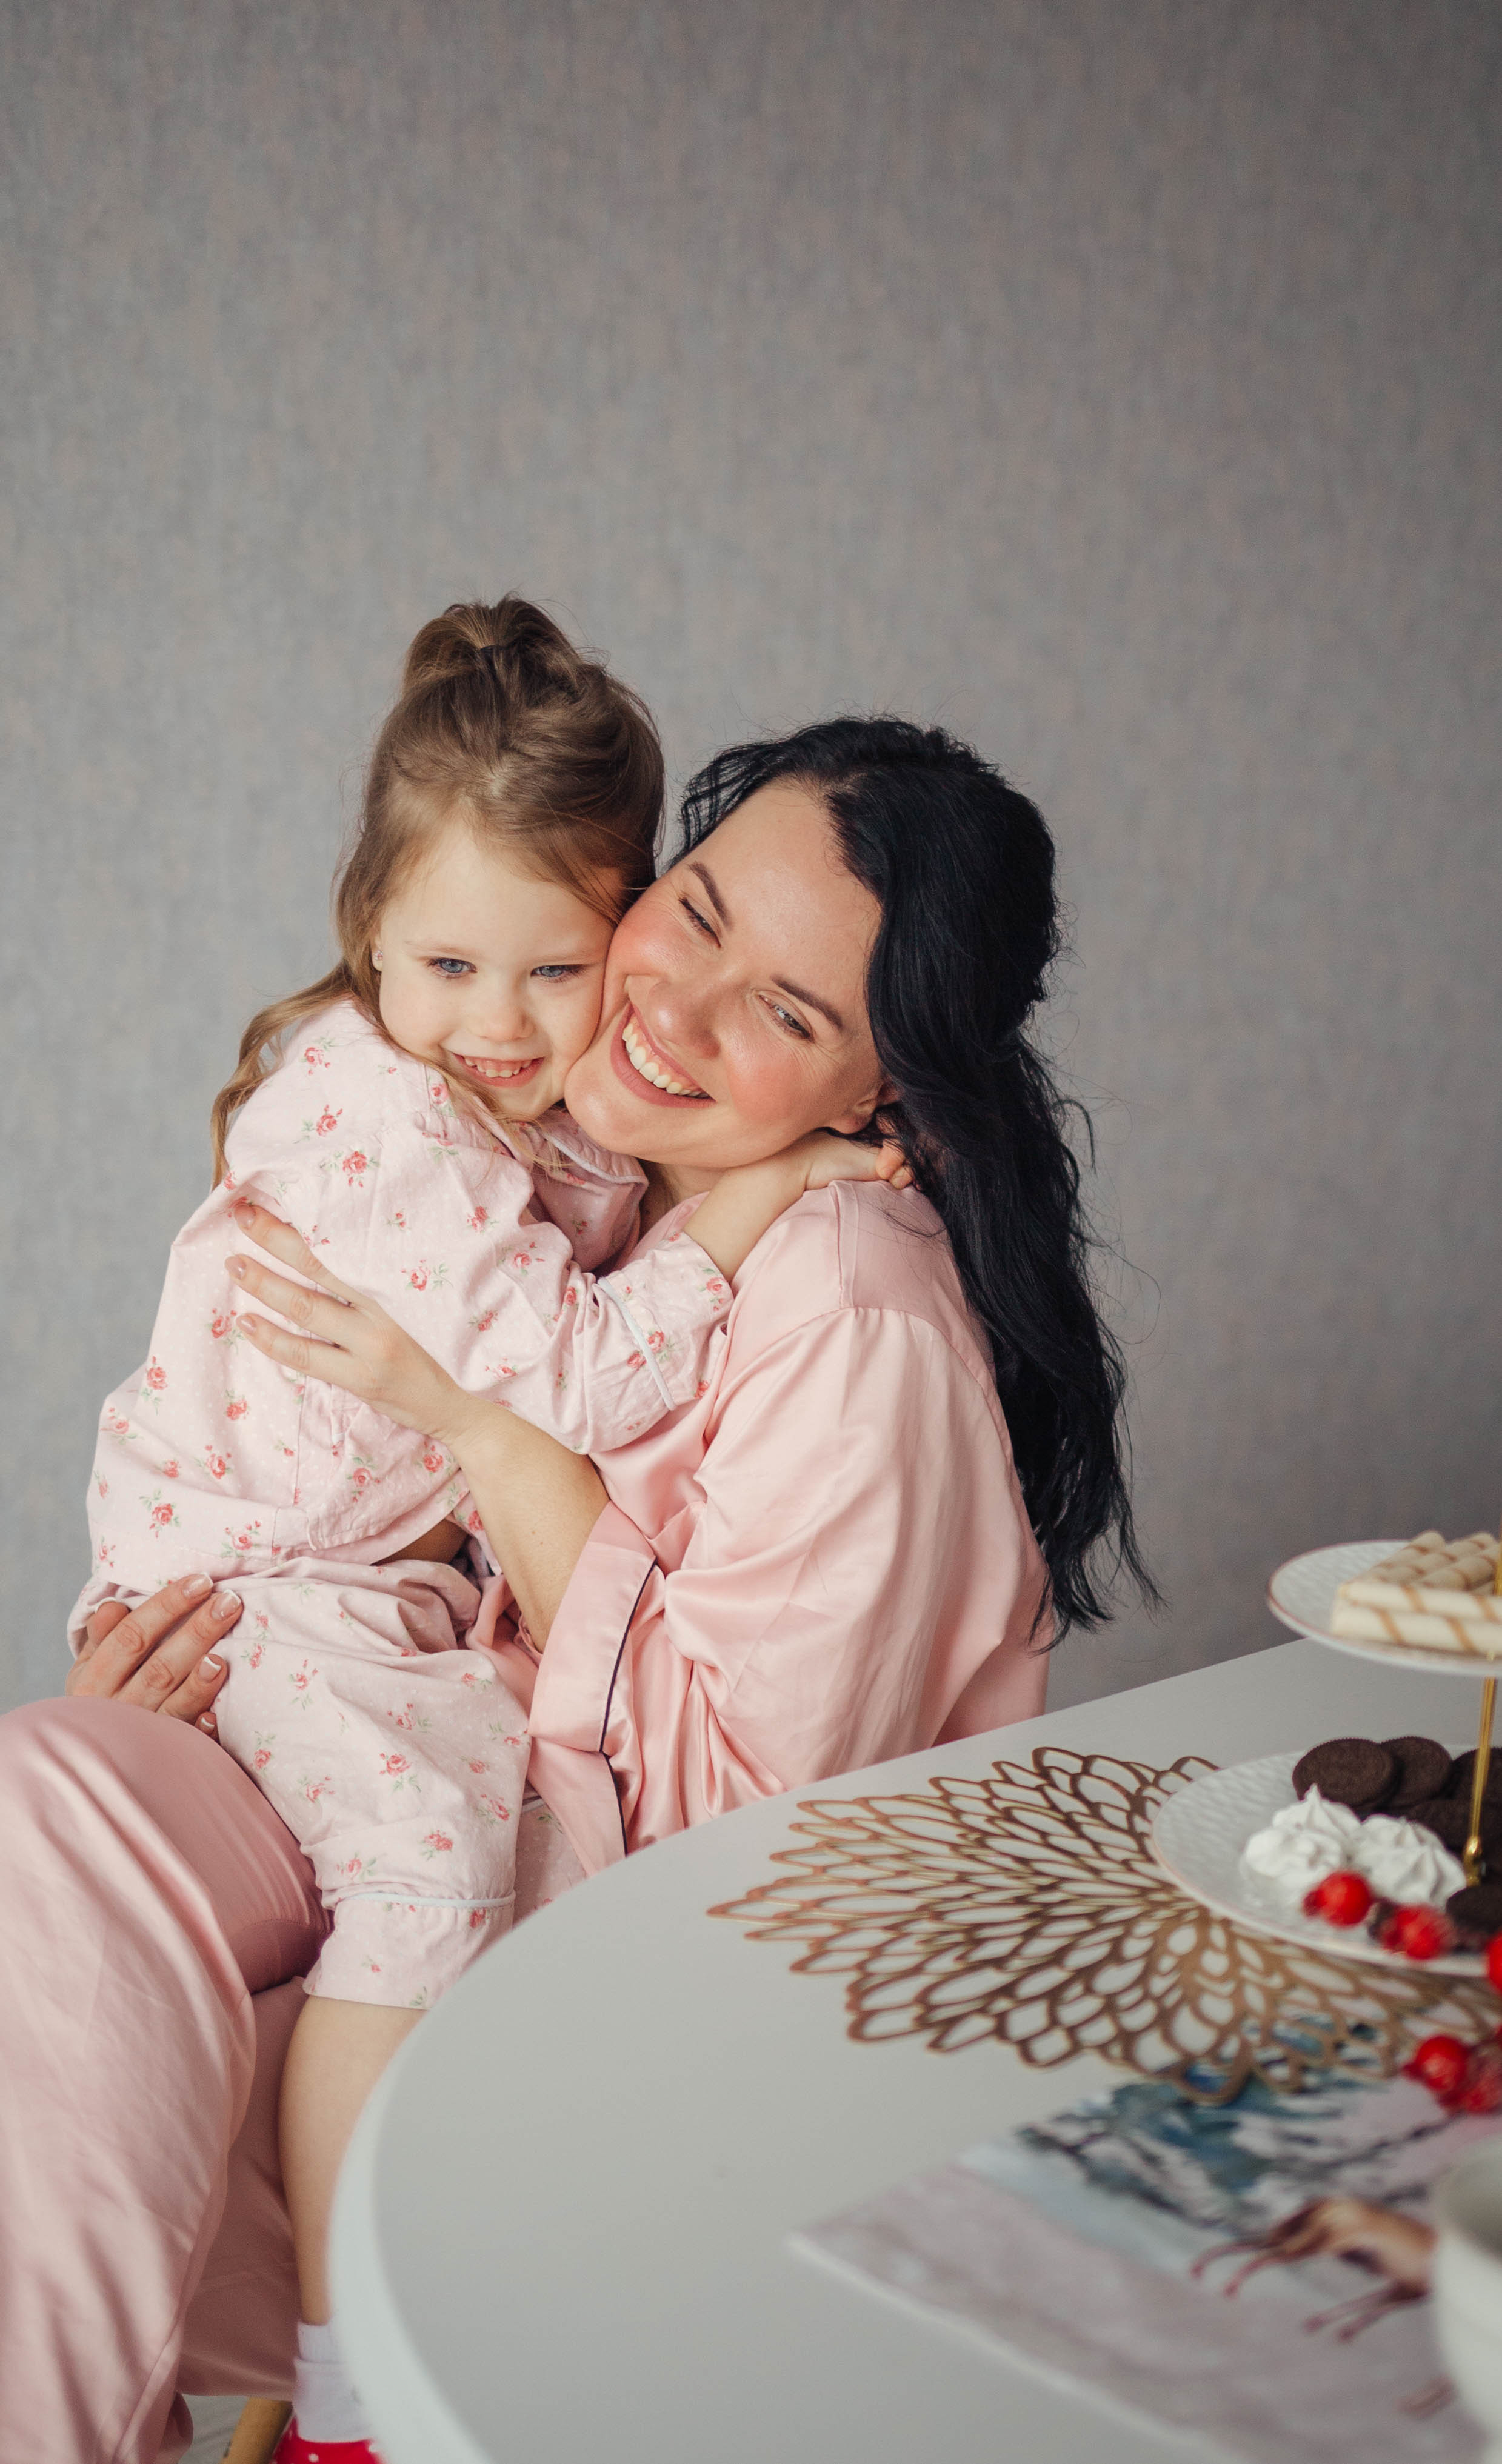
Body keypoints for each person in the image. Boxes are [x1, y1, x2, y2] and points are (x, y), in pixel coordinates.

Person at [0, 713, 1150, 2464]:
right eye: (692, 911)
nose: (668, 1007)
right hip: (399, 1735)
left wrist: (472, 1419)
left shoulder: (845, 1301)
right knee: (47, 1796)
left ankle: (320, 2386)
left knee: (64, 1998)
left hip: (632, 1963)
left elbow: (724, 1843)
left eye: (786, 1009)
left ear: (878, 1093)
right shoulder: (577, 1175)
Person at [71, 603, 906, 2463]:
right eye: (448, 962)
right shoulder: (386, 1122)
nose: (502, 1027)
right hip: (258, 1578)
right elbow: (589, 1377)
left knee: (515, 1834)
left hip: (365, 1583)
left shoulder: (525, 1111)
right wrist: (770, 1187)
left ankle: (437, 2314)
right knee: (437, 1845)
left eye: (556, 970)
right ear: (369, 926)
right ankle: (343, 2374)